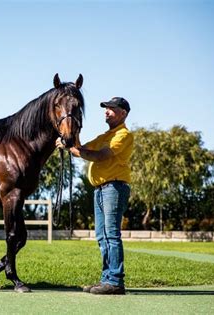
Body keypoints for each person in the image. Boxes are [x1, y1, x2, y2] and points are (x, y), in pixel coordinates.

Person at [56, 96, 133, 295]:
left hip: (114, 188)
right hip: (101, 190)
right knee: (102, 236)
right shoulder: (104, 136)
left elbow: (100, 156)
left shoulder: (122, 135)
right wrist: (73, 133)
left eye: (111, 109)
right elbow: (81, 150)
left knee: (111, 235)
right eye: (105, 108)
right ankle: (107, 280)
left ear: (123, 113)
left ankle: (115, 281)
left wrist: (73, 149)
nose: (106, 111)